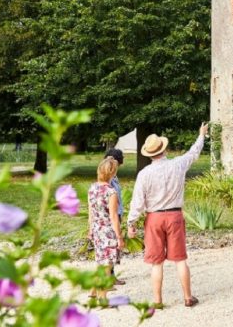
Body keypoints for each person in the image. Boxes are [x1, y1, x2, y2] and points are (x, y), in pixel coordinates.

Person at [127, 122, 208, 308]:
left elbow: (137, 201)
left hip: (154, 218)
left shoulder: (144, 174)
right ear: (164, 149)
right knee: (180, 259)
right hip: (174, 216)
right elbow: (193, 153)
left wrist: (131, 223)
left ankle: (157, 301)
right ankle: (188, 297)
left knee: (157, 263)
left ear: (149, 153)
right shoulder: (177, 165)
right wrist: (201, 134)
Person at [88, 157, 125, 299]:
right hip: (108, 232)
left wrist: (90, 229)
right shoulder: (111, 192)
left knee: (100, 261)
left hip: (97, 230)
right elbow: (114, 217)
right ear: (113, 173)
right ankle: (102, 298)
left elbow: (91, 212)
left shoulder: (92, 188)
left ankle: (92, 290)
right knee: (106, 265)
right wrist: (119, 237)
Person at [104, 148, 125, 285]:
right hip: (112, 216)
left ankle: (110, 275)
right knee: (111, 246)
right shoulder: (108, 180)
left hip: (117, 214)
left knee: (113, 248)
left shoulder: (114, 178)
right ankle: (108, 278)